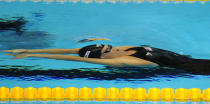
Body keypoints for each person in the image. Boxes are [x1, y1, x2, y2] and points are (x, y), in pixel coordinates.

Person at [1, 44, 210, 73]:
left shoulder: (122, 48)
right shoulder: (123, 60)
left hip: (194, 58)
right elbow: (77, 59)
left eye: (107, 45)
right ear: (104, 55)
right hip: (198, 68)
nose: (111, 47)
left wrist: (29, 49)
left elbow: (71, 50)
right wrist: (33, 56)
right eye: (106, 49)